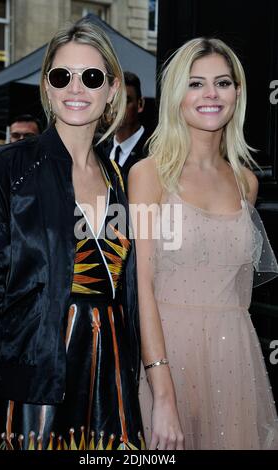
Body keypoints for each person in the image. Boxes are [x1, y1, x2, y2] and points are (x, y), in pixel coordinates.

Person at [0, 19, 144, 451]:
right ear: (47, 88)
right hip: (33, 382)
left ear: (112, 90)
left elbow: (123, 290)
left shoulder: (120, 180)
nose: (75, 88)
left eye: (91, 77)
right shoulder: (9, 168)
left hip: (110, 383)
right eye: (61, 76)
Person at [128, 37, 278, 450]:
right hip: (170, 360)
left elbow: (240, 291)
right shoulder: (149, 175)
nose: (211, 94)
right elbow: (141, 287)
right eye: (196, 84)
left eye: (223, 83)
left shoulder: (245, 181)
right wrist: (163, 394)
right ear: (177, 95)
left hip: (236, 361)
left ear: (238, 93)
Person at [103, 71, 149, 186]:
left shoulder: (155, 150)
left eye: (126, 101)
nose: (118, 108)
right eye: (114, 100)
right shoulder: (99, 149)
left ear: (140, 104)